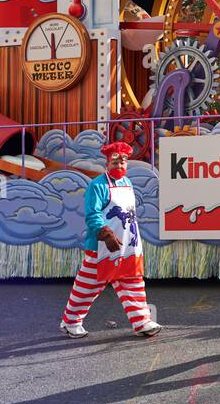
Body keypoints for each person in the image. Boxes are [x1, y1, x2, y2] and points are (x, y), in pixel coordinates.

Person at [59, 142, 161, 338]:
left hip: (127, 245)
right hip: (101, 247)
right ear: (107, 163)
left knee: (133, 282)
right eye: (115, 161)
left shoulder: (127, 183)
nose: (120, 165)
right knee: (87, 286)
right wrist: (106, 233)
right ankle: (70, 322)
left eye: (123, 161)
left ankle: (141, 321)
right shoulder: (97, 186)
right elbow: (92, 214)